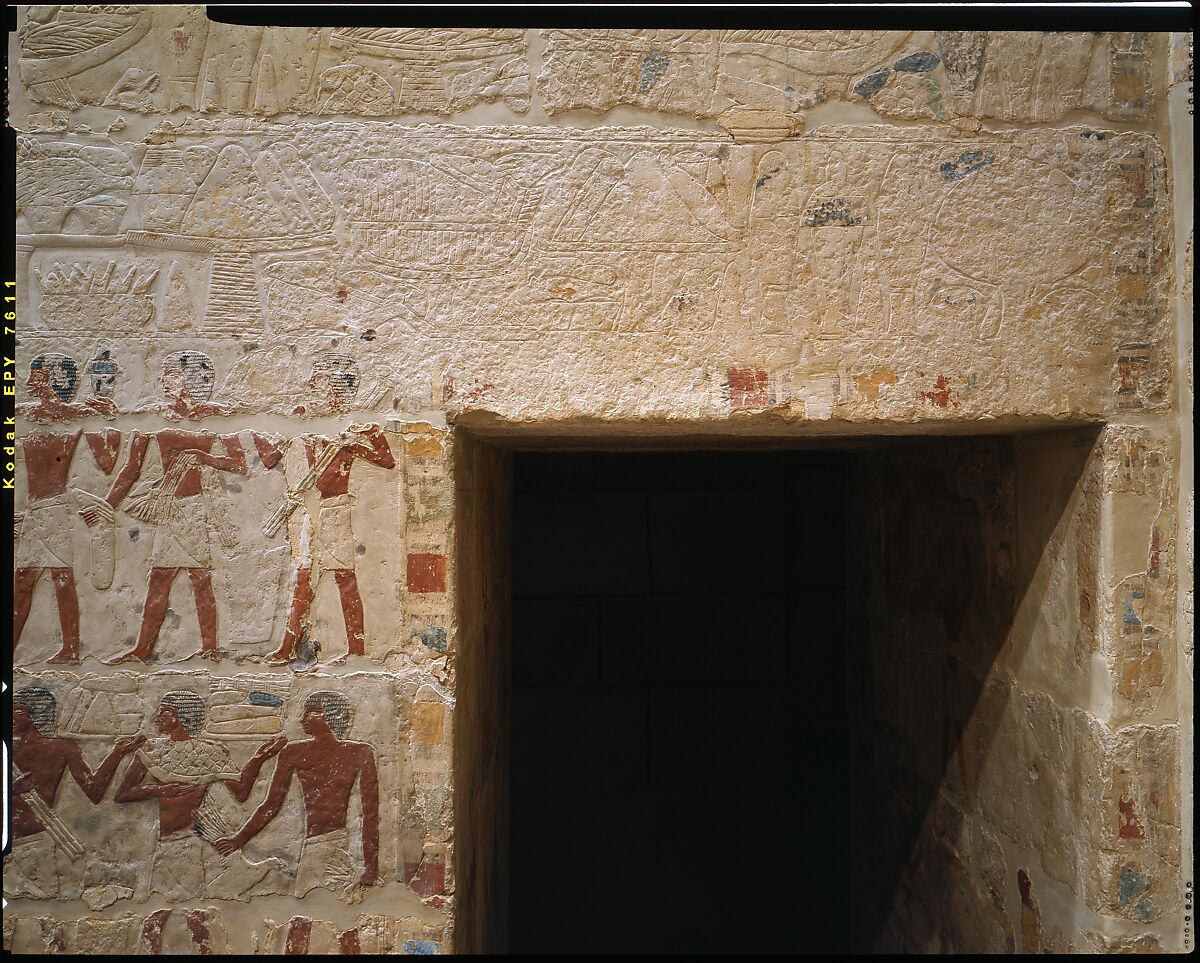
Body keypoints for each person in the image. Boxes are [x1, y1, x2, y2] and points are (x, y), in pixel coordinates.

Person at [114, 690, 286, 899]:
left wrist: (259, 758)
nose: (156, 717)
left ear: (179, 717)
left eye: (164, 711)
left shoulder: (209, 751)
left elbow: (241, 792)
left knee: (186, 908)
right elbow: (122, 794)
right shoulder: (152, 750)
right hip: (162, 840)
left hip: (191, 841)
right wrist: (158, 789)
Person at [215, 690, 380, 896]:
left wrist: (371, 868)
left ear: (331, 715)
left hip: (336, 845)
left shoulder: (360, 752)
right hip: (312, 847)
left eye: (311, 712)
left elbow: (371, 813)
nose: (302, 719)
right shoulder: (292, 752)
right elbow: (271, 805)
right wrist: (237, 840)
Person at [266, 423, 394, 663]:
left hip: (336, 512)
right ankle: (288, 646)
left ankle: (356, 649)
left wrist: (372, 432)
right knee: (303, 579)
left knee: (344, 578)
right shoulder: (302, 443)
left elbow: (387, 461)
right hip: (308, 515)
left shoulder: (345, 445)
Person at [4, 685, 144, 898]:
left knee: (46, 916)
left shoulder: (62, 748)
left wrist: (117, 753)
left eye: (19, 711)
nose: (11, 716)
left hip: (36, 842)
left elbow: (95, 791)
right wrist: (13, 790)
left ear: (37, 714)